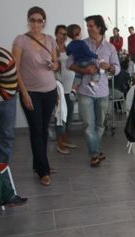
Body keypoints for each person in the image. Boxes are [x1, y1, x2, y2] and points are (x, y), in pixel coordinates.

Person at [12, 6, 59, 186]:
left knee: (43, 130)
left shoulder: (50, 39)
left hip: (49, 90)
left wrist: (54, 66)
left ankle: (40, 163)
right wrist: (24, 94)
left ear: (44, 22)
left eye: (40, 20)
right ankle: (43, 171)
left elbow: (55, 62)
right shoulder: (21, 40)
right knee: (36, 130)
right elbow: (15, 69)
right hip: (31, 92)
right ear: (28, 20)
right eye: (33, 20)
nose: (36, 23)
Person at [67, 15, 120, 167]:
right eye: (87, 26)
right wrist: (84, 69)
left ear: (99, 27)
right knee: (88, 125)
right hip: (85, 92)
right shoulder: (80, 44)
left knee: (100, 125)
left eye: (91, 26)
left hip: (103, 92)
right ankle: (95, 154)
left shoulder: (110, 48)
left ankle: (95, 150)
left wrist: (109, 67)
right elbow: (69, 64)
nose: (88, 28)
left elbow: (117, 69)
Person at [54, 25, 77, 155]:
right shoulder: (52, 48)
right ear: (56, 34)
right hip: (59, 88)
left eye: (65, 34)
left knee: (69, 115)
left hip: (70, 87)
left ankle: (65, 139)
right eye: (61, 34)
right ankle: (60, 143)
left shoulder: (69, 48)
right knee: (60, 116)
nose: (63, 36)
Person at [66, 24, 101, 97]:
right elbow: (88, 52)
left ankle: (73, 91)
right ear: (78, 34)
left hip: (78, 63)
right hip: (87, 62)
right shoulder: (82, 43)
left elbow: (68, 53)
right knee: (97, 70)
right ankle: (91, 84)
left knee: (78, 76)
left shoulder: (70, 44)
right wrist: (96, 56)